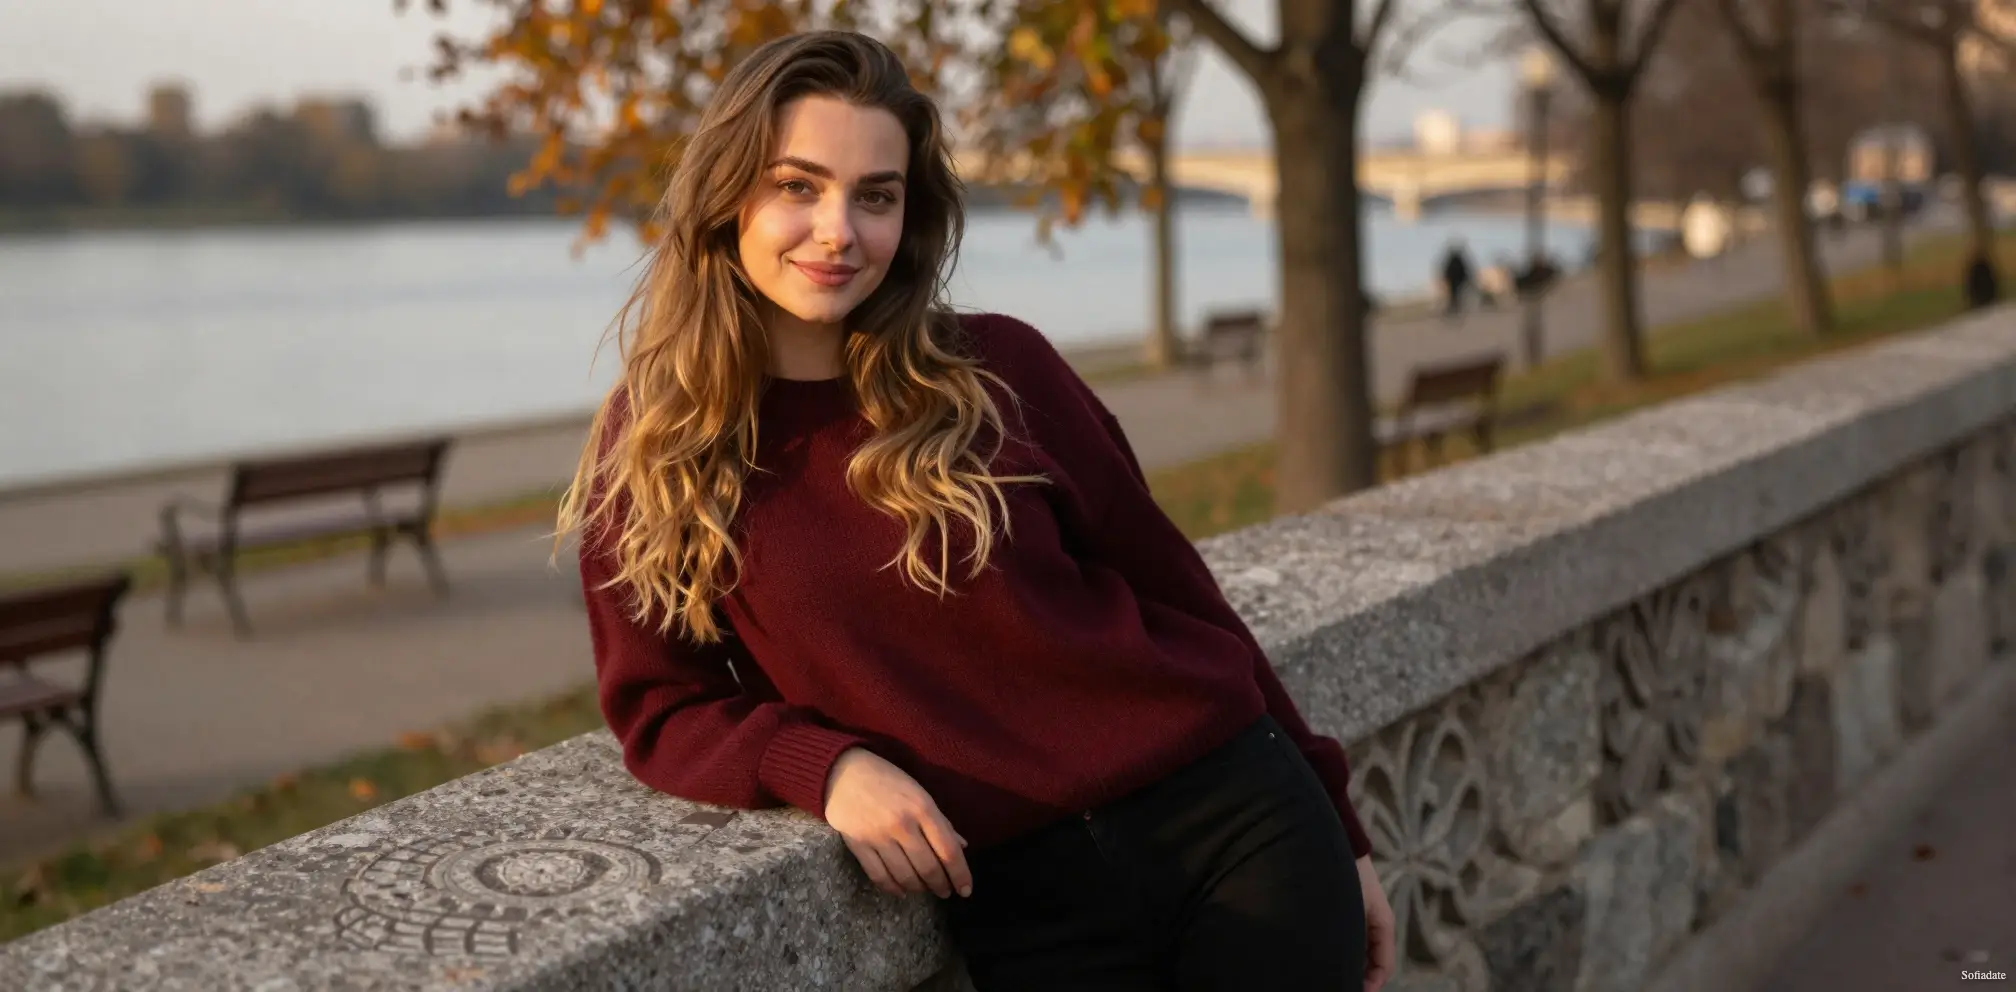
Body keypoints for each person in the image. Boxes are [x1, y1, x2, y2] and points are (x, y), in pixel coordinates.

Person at [557, 30, 1397, 992]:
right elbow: (661, 705)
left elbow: (1181, 596)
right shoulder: (661, 445)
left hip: (1240, 826)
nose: (838, 230)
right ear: (724, 197)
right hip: (1026, 908)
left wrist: (1342, 828)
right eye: (797, 186)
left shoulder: (1001, 371)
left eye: (876, 196)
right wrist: (824, 769)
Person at [1439, 239, 1472, 319]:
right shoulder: (1457, 260)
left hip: (1454, 281)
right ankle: (1454, 308)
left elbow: (1447, 270)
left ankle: (1454, 308)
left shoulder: (1453, 260)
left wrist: (1445, 278)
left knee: (1454, 294)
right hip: (1457, 281)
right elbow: (1465, 270)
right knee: (1456, 295)